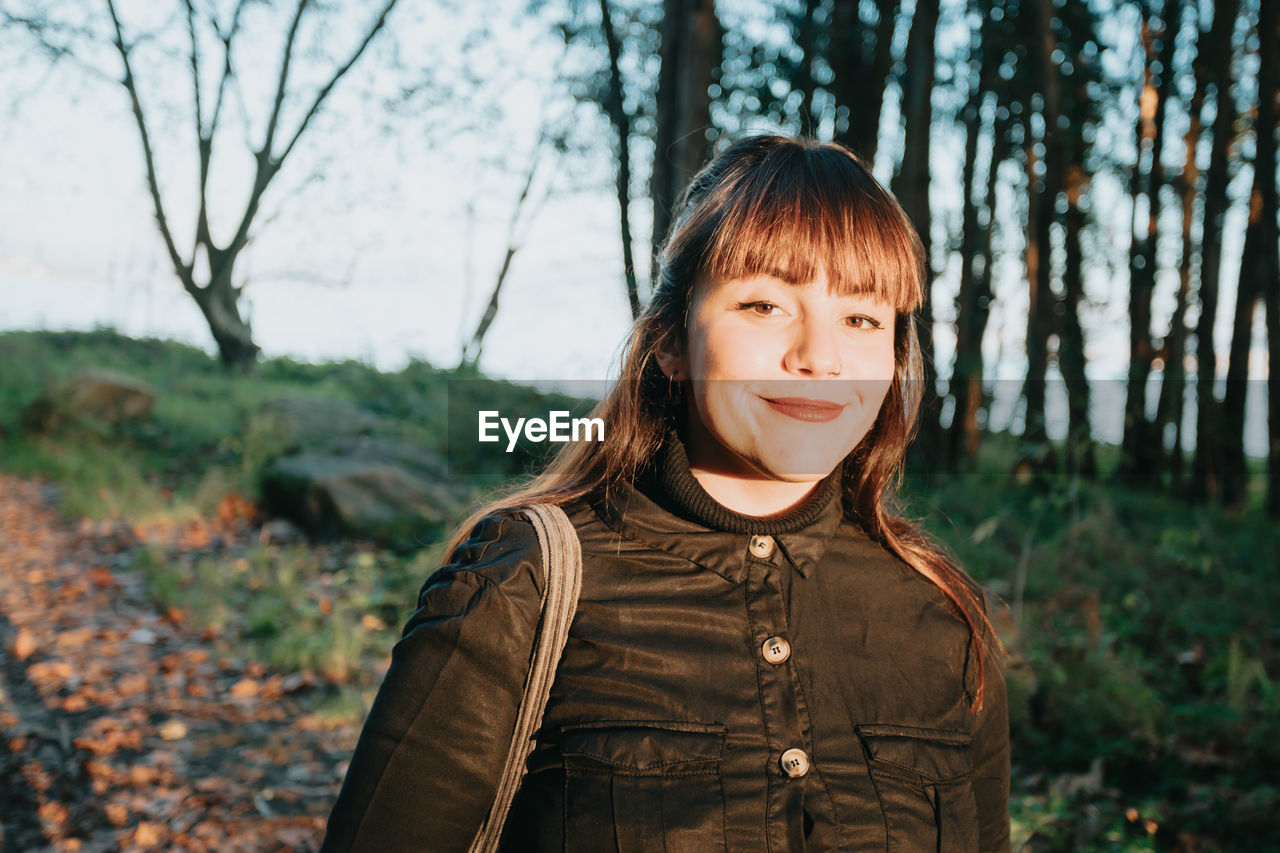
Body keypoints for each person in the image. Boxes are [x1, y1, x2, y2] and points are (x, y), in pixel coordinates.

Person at [320, 133, 1010, 852]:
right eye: (764, 306)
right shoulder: (523, 583)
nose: (820, 358)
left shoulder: (943, 615)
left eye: (862, 318)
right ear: (671, 341)